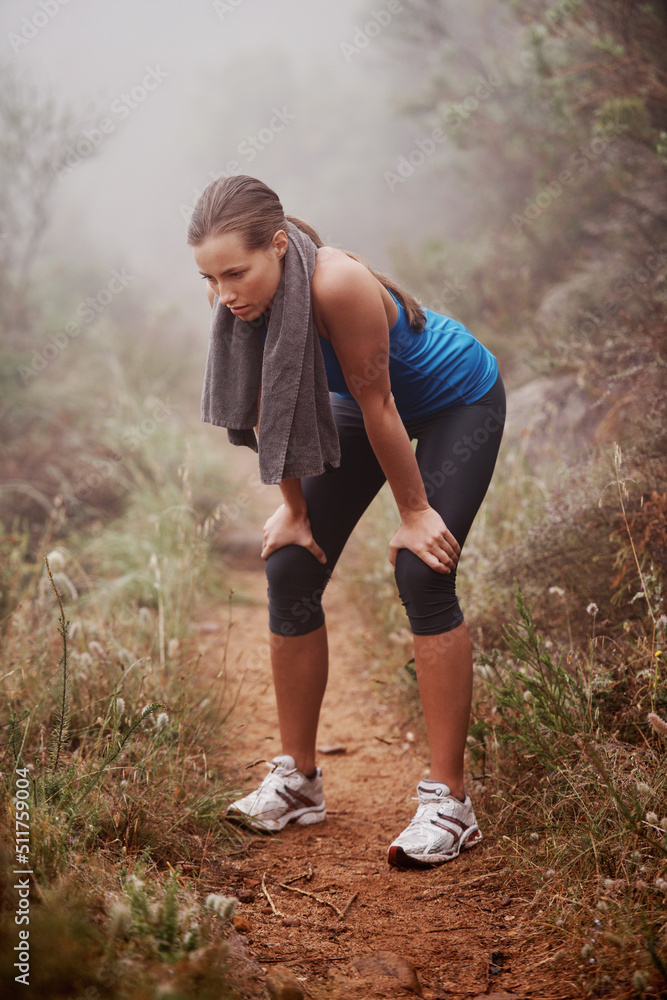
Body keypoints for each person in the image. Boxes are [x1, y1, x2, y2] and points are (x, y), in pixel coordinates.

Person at [188, 175, 505, 868]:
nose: (224, 294)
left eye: (236, 272)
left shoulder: (336, 284)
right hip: (369, 412)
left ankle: (450, 800)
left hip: (454, 400)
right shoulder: (246, 304)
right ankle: (298, 780)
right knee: (290, 564)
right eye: (210, 279)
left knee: (422, 571)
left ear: (278, 247)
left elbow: (379, 408)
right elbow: (272, 415)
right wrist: (296, 513)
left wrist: (415, 513)